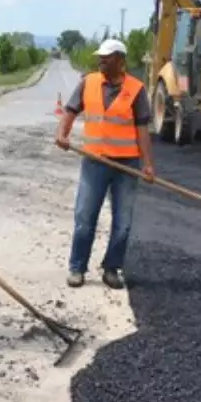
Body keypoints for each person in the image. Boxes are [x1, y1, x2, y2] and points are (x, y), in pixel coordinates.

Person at [55, 38, 155, 290]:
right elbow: (70, 110)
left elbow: (142, 129)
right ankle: (77, 268)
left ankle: (112, 268)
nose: (101, 60)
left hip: (127, 166)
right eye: (100, 56)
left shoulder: (136, 89)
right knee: (85, 217)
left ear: (120, 60)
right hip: (95, 161)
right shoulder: (88, 83)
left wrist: (148, 164)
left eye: (106, 57)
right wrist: (62, 133)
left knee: (123, 222)